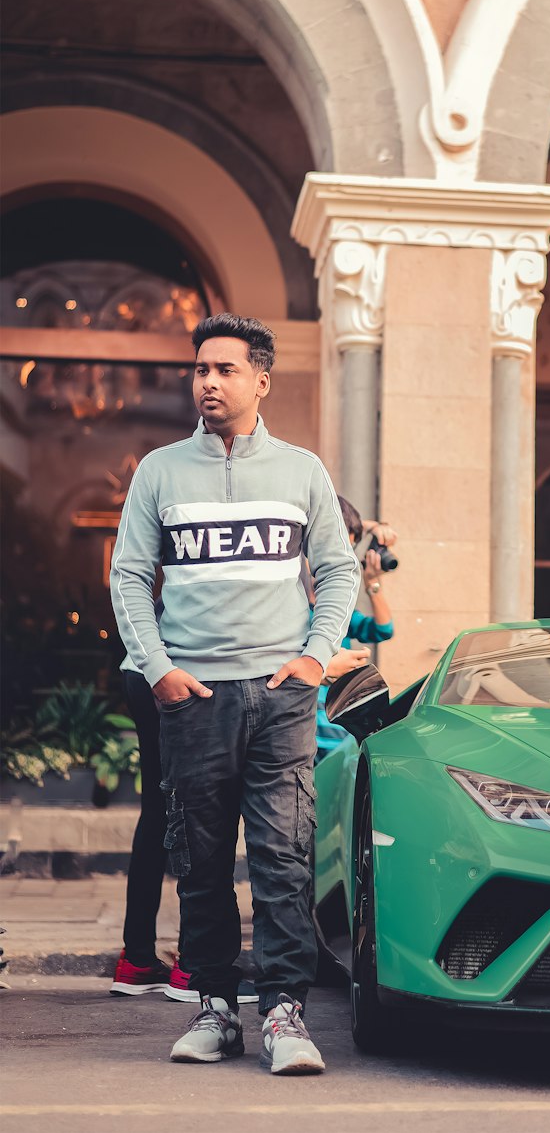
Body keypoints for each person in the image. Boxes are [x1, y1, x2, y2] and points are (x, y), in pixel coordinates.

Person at [110, 313, 359, 1074]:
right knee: (202, 860)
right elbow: (128, 575)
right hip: (194, 697)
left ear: (261, 381)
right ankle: (216, 1011)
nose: (208, 382)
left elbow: (339, 570)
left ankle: (284, 1014)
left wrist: (317, 656)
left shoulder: (301, 470)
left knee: (284, 858)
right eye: (200, 370)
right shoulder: (159, 470)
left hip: (280, 694)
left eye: (224, 369)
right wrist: (157, 668)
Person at [108, 665, 255, 1004]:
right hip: (184, 671)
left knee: (159, 812)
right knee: (198, 809)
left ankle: (138, 960)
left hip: (144, 670)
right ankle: (192, 968)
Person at [315, 496, 396, 757]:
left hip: (338, 730)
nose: (344, 559)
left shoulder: (337, 608)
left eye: (349, 551)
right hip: (303, 734)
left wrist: (372, 582)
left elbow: (383, 630)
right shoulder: (286, 609)